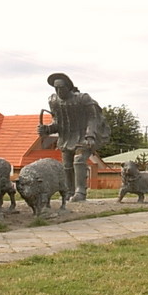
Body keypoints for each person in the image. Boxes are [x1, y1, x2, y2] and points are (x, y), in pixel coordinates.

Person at [38, 73, 109, 202]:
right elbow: (58, 123)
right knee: (66, 165)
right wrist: (47, 129)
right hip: (66, 138)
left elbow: (93, 118)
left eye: (62, 88)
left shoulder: (83, 99)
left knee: (79, 159)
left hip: (84, 136)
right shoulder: (53, 101)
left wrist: (90, 135)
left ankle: (80, 192)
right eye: (56, 88)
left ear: (68, 86)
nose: (59, 91)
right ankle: (68, 192)